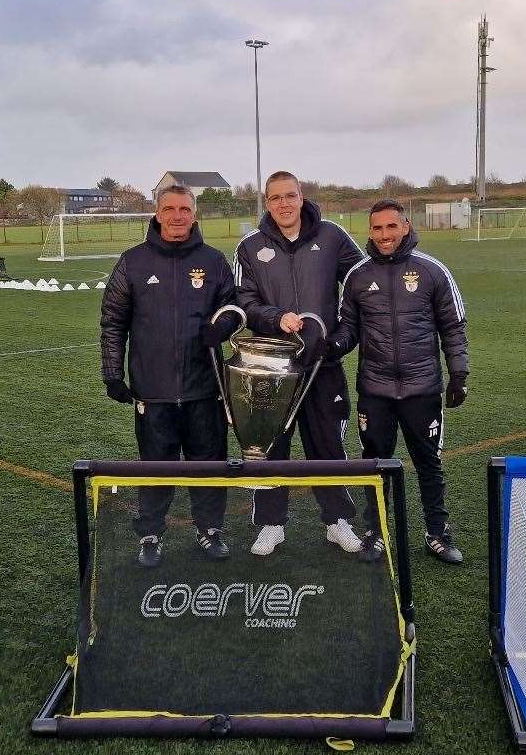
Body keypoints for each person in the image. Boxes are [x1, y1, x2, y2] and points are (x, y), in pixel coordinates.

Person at [100, 184, 240, 567]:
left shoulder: (213, 261)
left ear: (194, 214)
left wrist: (222, 326)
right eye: (169, 209)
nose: (177, 216)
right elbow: (113, 321)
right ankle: (150, 534)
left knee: (209, 464)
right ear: (157, 213)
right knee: (155, 464)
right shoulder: (133, 262)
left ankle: (210, 531)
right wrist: (113, 373)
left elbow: (234, 307)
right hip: (154, 389)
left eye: (184, 209)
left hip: (205, 388)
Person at [330, 199, 469, 565]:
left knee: (428, 463)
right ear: (370, 232)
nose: (385, 235)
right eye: (377, 228)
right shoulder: (358, 276)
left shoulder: (432, 271)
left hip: (422, 388)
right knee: (376, 465)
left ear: (405, 227)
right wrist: (334, 345)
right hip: (375, 390)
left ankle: (437, 534)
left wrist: (459, 374)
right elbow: (349, 328)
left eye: (392, 227)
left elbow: (453, 326)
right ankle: (376, 533)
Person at [234, 170, 365, 557]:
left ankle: (337, 522)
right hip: (271, 368)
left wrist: (339, 337)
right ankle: (271, 524)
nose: (284, 205)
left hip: (322, 365)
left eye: (289, 196)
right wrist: (276, 318)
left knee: (327, 446)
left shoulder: (333, 236)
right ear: (266, 201)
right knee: (270, 446)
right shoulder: (250, 246)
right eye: (275, 199)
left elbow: (360, 286)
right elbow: (245, 301)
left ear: (301, 195)